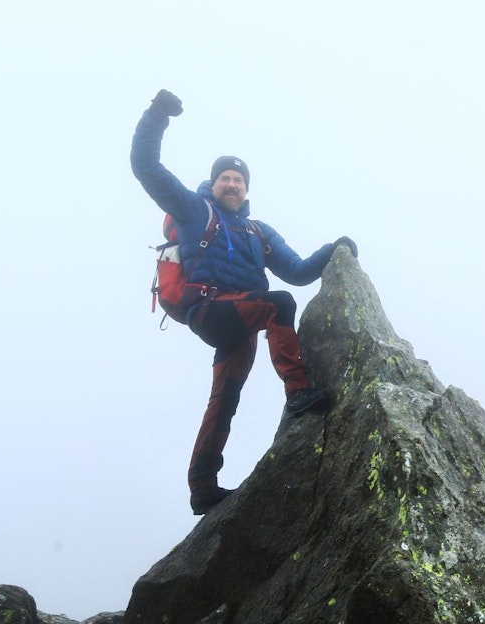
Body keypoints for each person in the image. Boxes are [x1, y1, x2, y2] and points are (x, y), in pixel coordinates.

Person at [131, 89, 357, 516]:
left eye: (238, 180)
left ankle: (202, 486)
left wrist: (334, 250)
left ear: (246, 189)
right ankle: (297, 392)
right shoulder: (195, 212)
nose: (231, 184)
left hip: (240, 318)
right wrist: (157, 116)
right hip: (211, 310)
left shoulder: (258, 232)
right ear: (213, 184)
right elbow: (146, 167)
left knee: (225, 399)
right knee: (277, 304)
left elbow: (298, 270)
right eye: (224, 178)